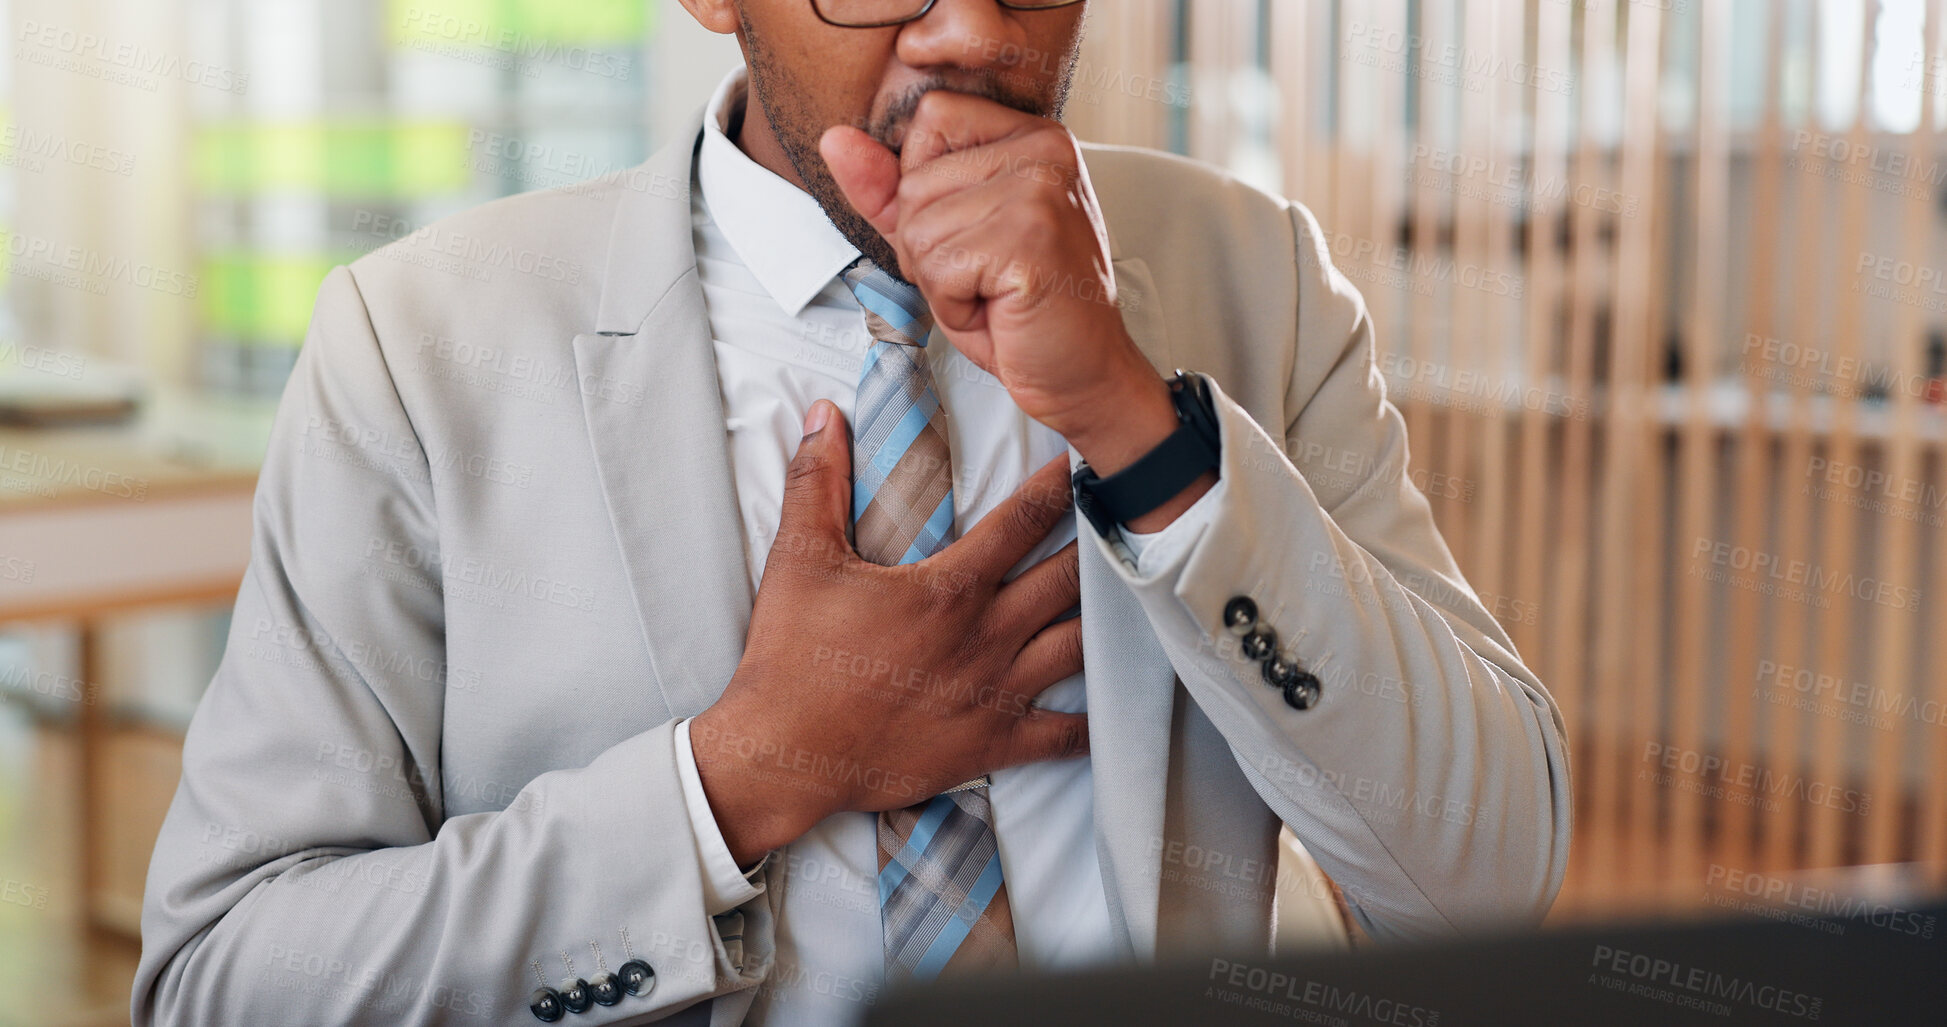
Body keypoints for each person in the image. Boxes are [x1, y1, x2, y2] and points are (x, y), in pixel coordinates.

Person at [133, 1, 1571, 1023]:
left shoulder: (1252, 273)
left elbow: (1490, 887)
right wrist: (745, 774)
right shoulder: (420, 344)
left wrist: (1146, 433)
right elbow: (225, 979)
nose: (968, 33)